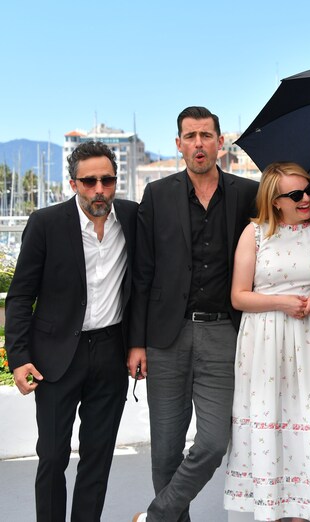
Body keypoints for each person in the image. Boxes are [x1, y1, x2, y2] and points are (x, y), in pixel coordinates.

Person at [128, 106, 258, 522]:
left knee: (214, 442)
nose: (198, 143)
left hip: (223, 334)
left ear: (220, 142)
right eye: (190, 136)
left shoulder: (247, 193)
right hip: (166, 337)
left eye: (206, 135)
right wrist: (136, 342)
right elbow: (142, 273)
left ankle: (154, 516)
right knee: (165, 450)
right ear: (179, 144)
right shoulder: (157, 194)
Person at [5, 141, 137, 522]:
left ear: (116, 181)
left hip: (111, 352)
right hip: (56, 356)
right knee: (52, 456)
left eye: (107, 180)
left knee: (98, 458)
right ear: (73, 183)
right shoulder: (46, 223)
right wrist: (19, 357)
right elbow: (20, 296)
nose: (99, 189)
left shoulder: (132, 218)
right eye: (89, 181)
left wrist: (139, 344)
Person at [224, 162, 310, 521]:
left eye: (309, 189)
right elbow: (238, 296)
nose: (305, 198)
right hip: (264, 345)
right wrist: (282, 302)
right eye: (295, 194)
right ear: (275, 201)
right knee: (270, 432)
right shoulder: (255, 234)